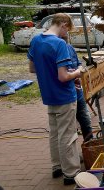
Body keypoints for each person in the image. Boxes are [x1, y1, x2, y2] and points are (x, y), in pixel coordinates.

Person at [28, 13, 82, 185]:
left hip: (49, 95)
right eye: (68, 30)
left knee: (55, 133)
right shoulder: (59, 44)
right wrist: (79, 72)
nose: (67, 34)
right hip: (64, 95)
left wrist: (48, 72)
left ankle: (57, 166)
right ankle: (71, 172)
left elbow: (32, 68)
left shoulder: (36, 41)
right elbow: (63, 76)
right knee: (68, 134)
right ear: (63, 24)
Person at [61, 35, 94, 142]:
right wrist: (73, 77)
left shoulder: (70, 47)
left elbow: (79, 64)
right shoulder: (57, 51)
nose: (68, 35)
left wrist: (79, 70)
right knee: (69, 126)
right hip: (66, 94)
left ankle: (90, 144)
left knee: (85, 118)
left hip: (78, 92)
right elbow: (60, 75)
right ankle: (72, 154)